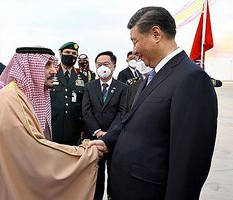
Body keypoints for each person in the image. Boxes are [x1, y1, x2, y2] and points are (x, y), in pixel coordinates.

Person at [89, 6, 218, 200]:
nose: (134, 50)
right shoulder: (151, 78)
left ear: (156, 34)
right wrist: (104, 143)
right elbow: (129, 122)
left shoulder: (191, 78)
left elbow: (189, 162)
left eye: (135, 41)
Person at [0, 47, 99, 200]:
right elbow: (33, 150)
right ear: (28, 68)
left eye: (52, 64)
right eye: (47, 65)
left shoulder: (22, 95)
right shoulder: (10, 99)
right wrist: (85, 154)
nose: (53, 71)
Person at [82, 51, 127, 200]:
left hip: (114, 140)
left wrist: (108, 135)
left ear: (114, 66)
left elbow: (122, 113)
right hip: (94, 139)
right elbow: (86, 111)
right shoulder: (89, 86)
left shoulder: (123, 88)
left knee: (115, 175)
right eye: (99, 64)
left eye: (106, 64)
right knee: (96, 175)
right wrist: (98, 131)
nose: (103, 67)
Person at [50, 42, 85, 145]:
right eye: (67, 52)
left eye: (74, 53)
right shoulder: (52, 73)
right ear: (60, 54)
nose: (71, 55)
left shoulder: (82, 77)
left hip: (74, 129)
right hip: (54, 127)